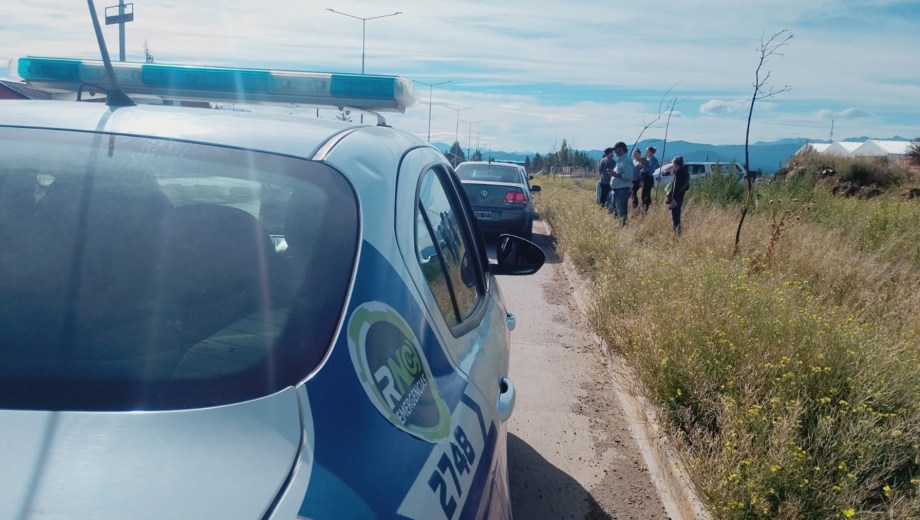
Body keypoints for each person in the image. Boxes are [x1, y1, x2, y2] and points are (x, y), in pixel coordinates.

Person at [608, 141, 633, 225]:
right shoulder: (619, 161)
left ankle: (623, 230)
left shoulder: (627, 160)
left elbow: (629, 176)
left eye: (616, 149)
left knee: (621, 214)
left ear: (621, 149)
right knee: (615, 213)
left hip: (622, 191)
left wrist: (616, 175)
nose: (614, 151)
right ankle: (618, 231)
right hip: (616, 190)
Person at [666, 155, 690, 234]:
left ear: (675, 164)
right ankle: (677, 231)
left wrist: (672, 197)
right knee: (677, 215)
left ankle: (677, 232)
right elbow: (686, 186)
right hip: (681, 196)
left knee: (675, 216)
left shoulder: (679, 173)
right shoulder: (685, 171)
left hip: (676, 197)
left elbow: (676, 187)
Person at [642, 146, 660, 212]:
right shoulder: (649, 158)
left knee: (645, 195)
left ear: (650, 152)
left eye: (647, 151)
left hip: (648, 178)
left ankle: (646, 209)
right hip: (646, 178)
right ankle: (645, 208)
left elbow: (651, 170)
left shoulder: (652, 159)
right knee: (645, 194)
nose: (645, 152)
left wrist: (643, 167)